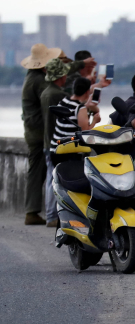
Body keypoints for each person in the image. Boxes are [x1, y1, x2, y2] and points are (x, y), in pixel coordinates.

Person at [20, 43, 94, 225]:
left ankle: (34, 211)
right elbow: (61, 84)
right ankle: (38, 212)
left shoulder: (32, 77)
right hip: (39, 134)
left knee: (37, 171)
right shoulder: (40, 82)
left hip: (32, 131)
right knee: (42, 173)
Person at [40, 58, 74, 228]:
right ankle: (52, 216)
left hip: (47, 141)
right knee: (55, 179)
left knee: (49, 178)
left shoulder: (46, 92)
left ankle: (50, 215)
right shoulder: (57, 95)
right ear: (60, 76)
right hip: (57, 143)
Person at [52, 78, 101, 147]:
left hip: (55, 146)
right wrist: (94, 121)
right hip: (68, 151)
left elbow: (74, 112)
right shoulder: (80, 108)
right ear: (87, 92)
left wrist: (87, 104)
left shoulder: (64, 100)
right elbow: (85, 134)